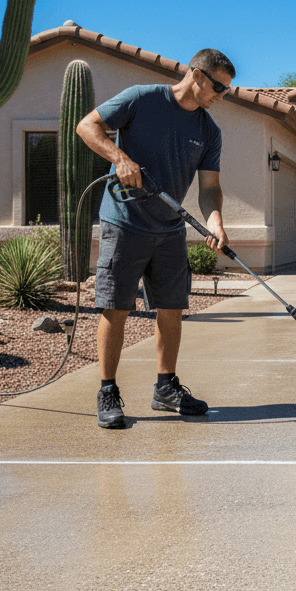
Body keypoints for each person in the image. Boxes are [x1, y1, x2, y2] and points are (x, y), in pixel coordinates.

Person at [75, 49, 234, 429]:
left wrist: (215, 220)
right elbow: (86, 126)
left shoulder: (209, 132)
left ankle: (166, 388)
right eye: (218, 87)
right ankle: (108, 390)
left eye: (227, 91)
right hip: (124, 221)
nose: (221, 96)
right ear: (196, 75)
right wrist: (119, 157)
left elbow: (209, 187)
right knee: (116, 307)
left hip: (169, 228)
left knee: (171, 307)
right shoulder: (141, 99)